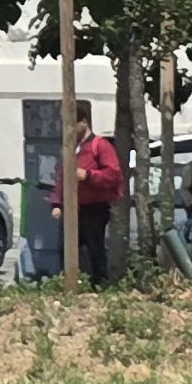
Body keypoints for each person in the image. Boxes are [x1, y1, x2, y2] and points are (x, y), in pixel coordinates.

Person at [69, 102, 126, 286]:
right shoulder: (74, 147)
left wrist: (88, 175)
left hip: (95, 206)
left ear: (83, 122)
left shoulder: (99, 145)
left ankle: (99, 283)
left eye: (72, 124)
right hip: (75, 206)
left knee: (95, 248)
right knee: (69, 247)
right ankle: (73, 282)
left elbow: (113, 175)